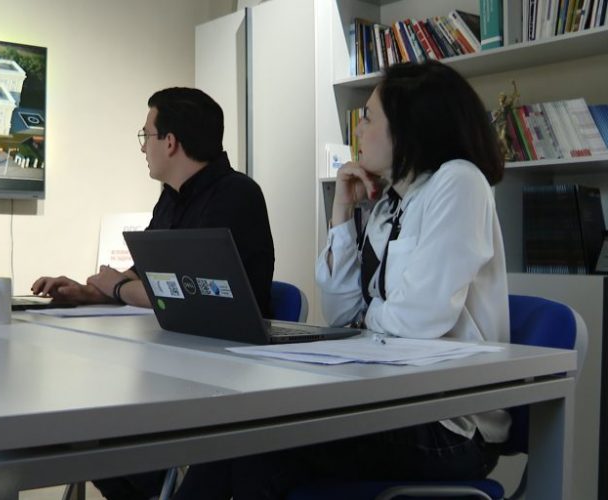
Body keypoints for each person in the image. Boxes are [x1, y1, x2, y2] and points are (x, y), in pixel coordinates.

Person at [172, 59, 509, 499]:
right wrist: (342, 211)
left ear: (409, 128)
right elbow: (342, 311)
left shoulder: (459, 182)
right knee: (235, 432)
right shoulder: (391, 202)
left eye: (368, 118)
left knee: (258, 446)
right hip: (390, 401)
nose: (359, 131)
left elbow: (418, 319)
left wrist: (369, 319)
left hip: (449, 424)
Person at [32, 87, 275, 316]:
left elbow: (192, 291)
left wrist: (118, 288)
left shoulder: (236, 194)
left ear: (170, 142)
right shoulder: (171, 197)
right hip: (187, 337)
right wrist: (89, 292)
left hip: (231, 343)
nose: (143, 148)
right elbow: (145, 272)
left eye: (146, 136)